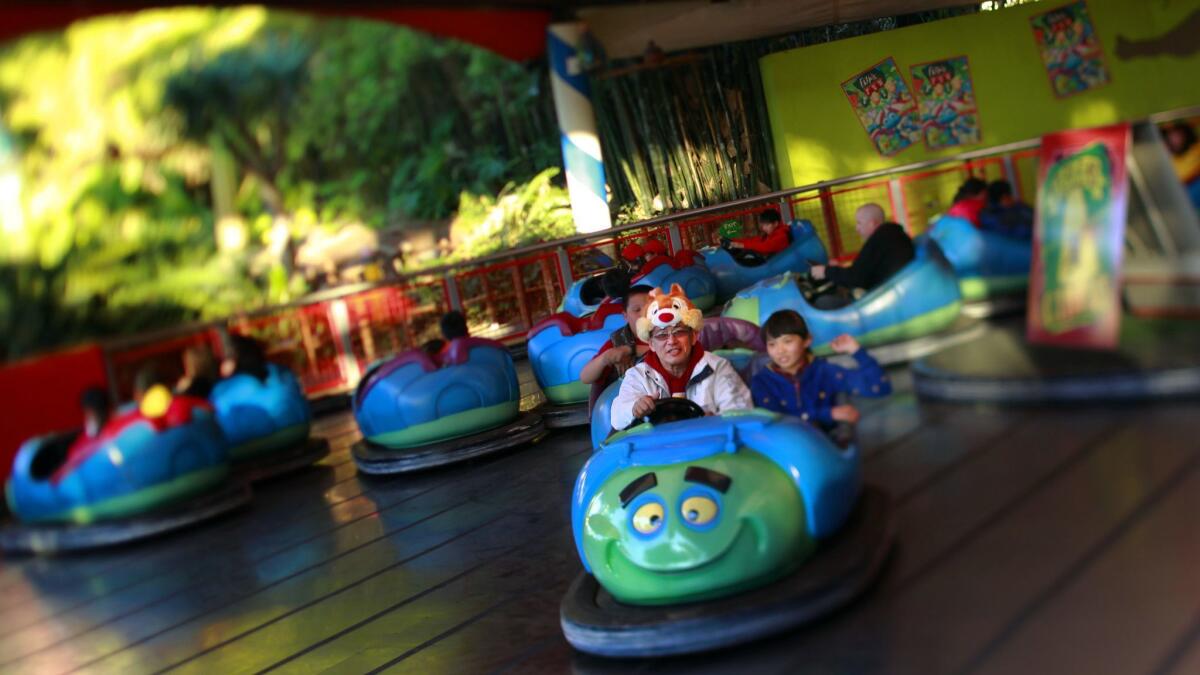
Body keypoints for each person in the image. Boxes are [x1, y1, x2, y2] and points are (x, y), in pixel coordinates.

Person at [610, 284, 752, 430]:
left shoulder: (717, 367)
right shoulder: (638, 375)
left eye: (679, 332)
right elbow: (617, 417)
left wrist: (718, 420)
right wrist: (634, 408)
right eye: (662, 335)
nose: (671, 341)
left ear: (693, 337)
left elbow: (742, 413)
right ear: (651, 344)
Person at [751, 310, 890, 431]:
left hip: (824, 450)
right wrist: (828, 413)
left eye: (787, 341)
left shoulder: (824, 372)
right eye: (772, 344)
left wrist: (856, 351)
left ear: (807, 340)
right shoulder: (761, 382)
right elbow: (774, 424)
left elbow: (879, 387)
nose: (780, 351)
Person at [809, 203, 914, 308]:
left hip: (888, 302)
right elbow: (863, 272)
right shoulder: (892, 236)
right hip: (893, 294)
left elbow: (856, 278)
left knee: (822, 302)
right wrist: (837, 269)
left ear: (872, 224)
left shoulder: (880, 239)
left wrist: (825, 271)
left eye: (859, 223)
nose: (857, 228)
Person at [580, 281, 652, 387]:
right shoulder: (618, 342)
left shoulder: (670, 333)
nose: (644, 314)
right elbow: (585, 377)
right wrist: (605, 358)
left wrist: (631, 349)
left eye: (651, 309)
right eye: (637, 310)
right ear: (625, 316)